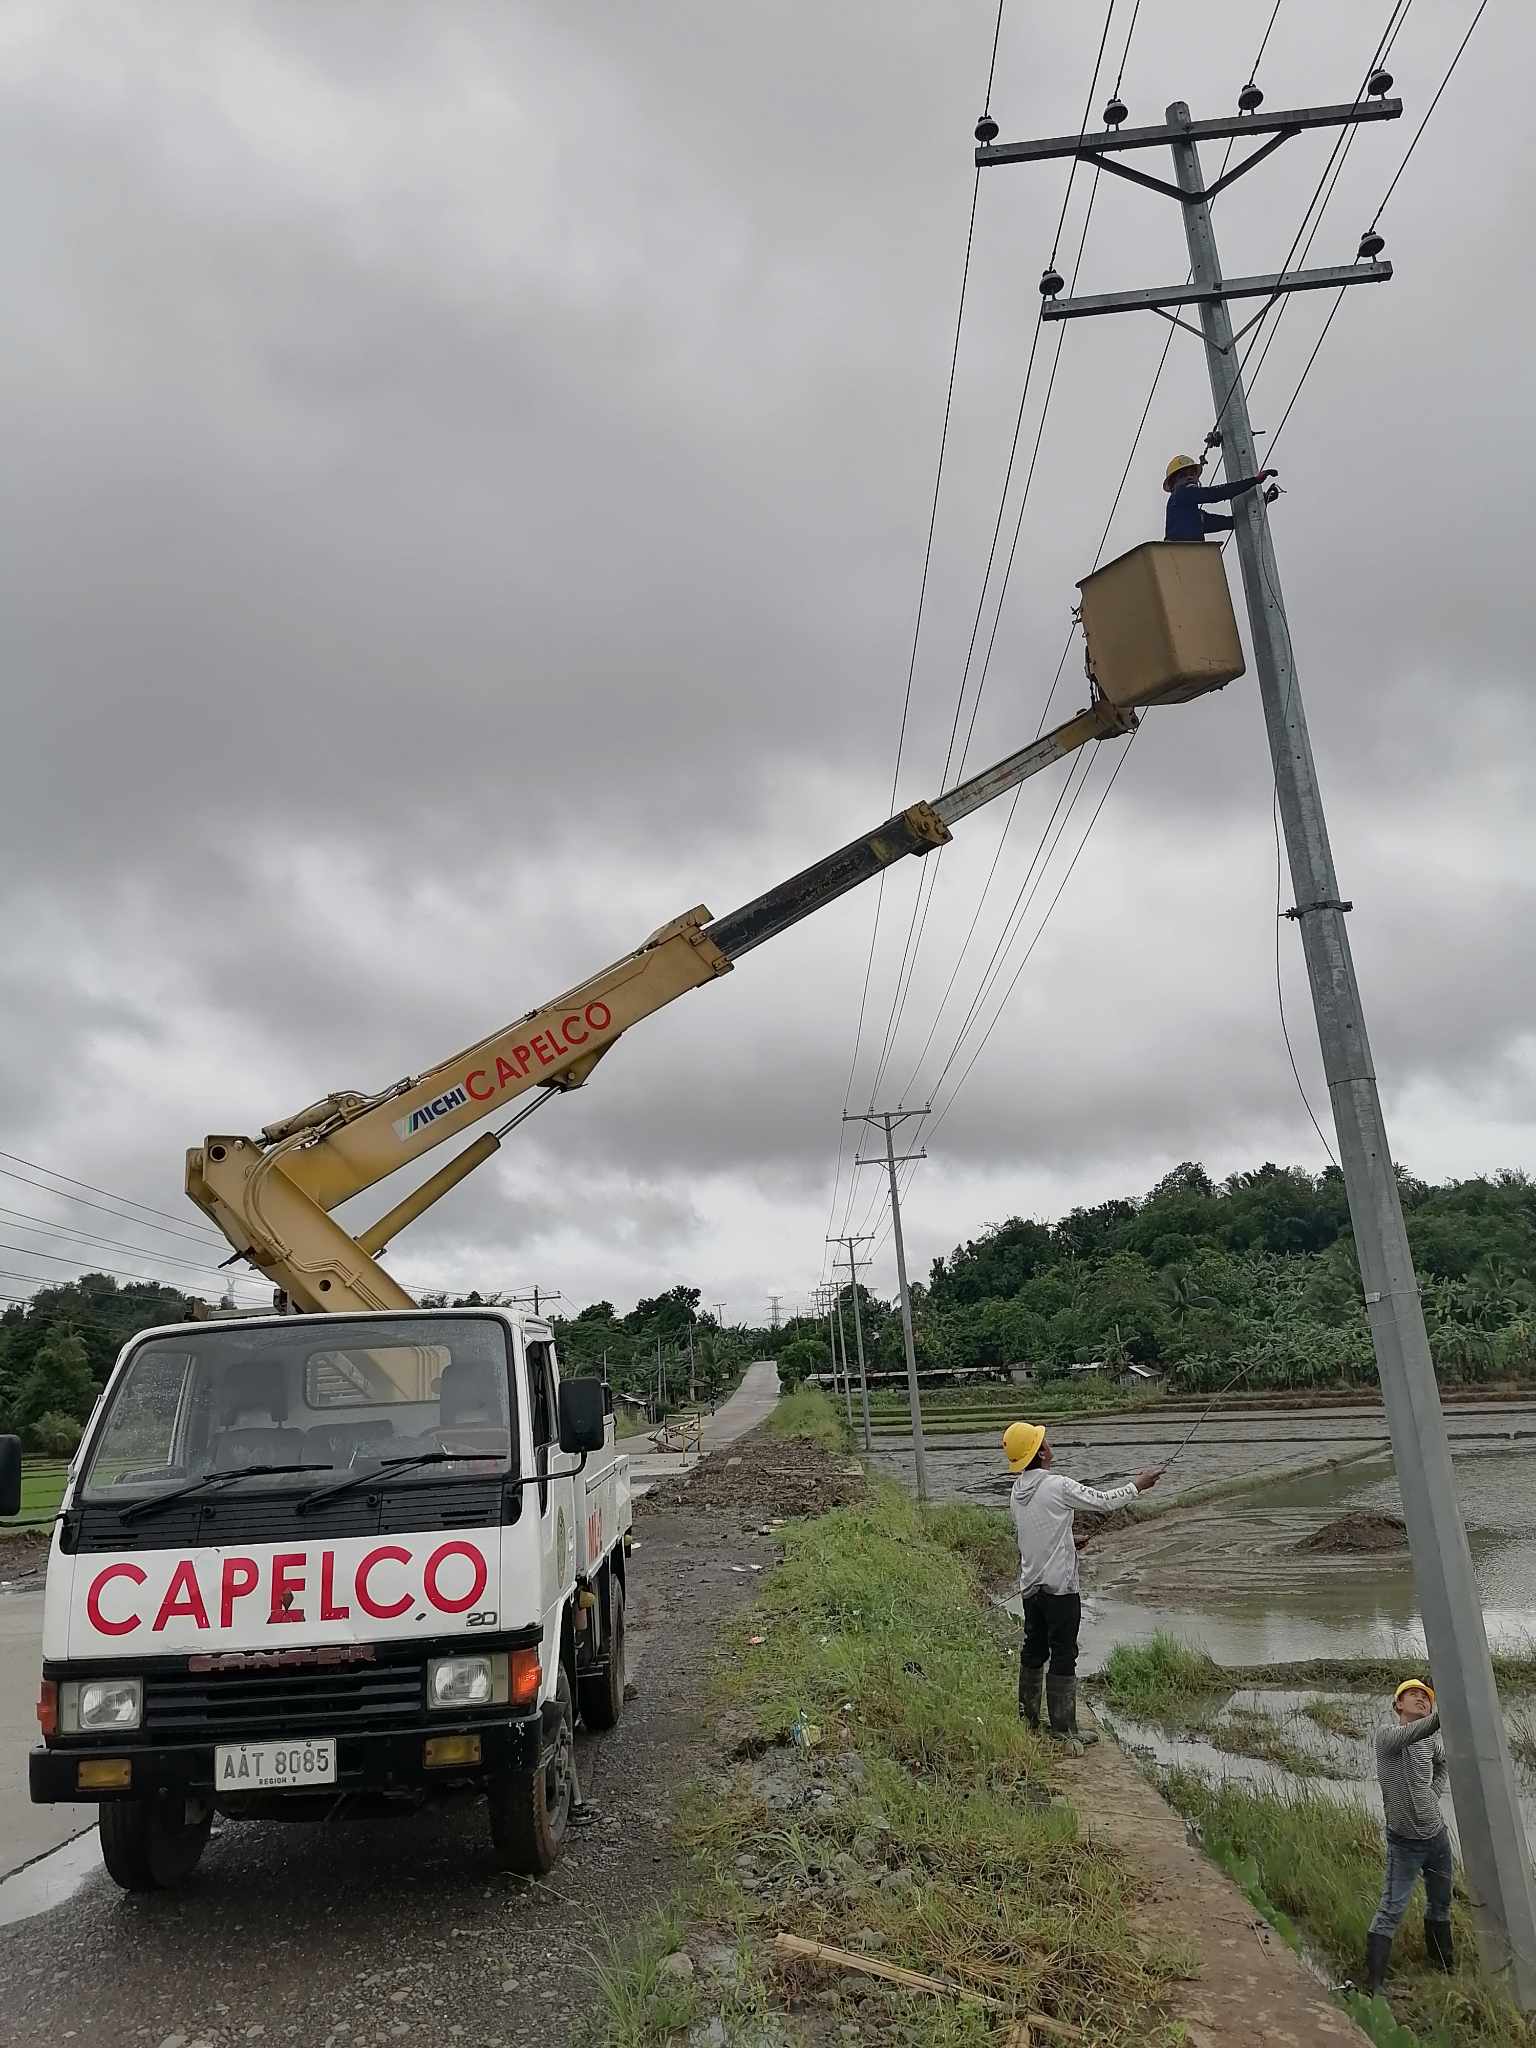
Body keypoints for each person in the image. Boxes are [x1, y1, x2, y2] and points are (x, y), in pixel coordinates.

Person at [1004, 1422, 1161, 1748]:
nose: (1049, 1445)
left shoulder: (1017, 1491)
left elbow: (1034, 1533)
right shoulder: (1058, 1485)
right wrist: (1138, 1486)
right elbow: (1103, 1501)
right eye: (1045, 1442)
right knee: (1064, 1653)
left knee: (1033, 1648)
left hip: (1031, 1588)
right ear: (1042, 1452)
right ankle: (1064, 1730)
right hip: (1060, 1589)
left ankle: (1028, 1721)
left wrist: (1068, 1540)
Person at [1366, 1678, 1454, 1995]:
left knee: (1441, 1904)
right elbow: (1421, 1730)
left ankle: (1444, 1970)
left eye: (1426, 1697)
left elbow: (1443, 1764)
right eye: (1412, 1695)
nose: (1420, 1699)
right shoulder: (1388, 1737)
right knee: (1391, 1910)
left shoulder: (1429, 1744)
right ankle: (1374, 1986)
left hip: (1437, 1839)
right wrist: (1450, 1708)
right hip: (1404, 1844)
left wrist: (1433, 1794)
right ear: (1397, 1705)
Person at [1163, 452, 1277, 540]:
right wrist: (1254, 480)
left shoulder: (1193, 518)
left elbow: (1231, 522)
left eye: (1192, 474)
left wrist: (1260, 502)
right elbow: (1217, 494)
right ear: (1173, 485)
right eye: (1183, 475)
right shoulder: (1181, 494)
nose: (1189, 477)